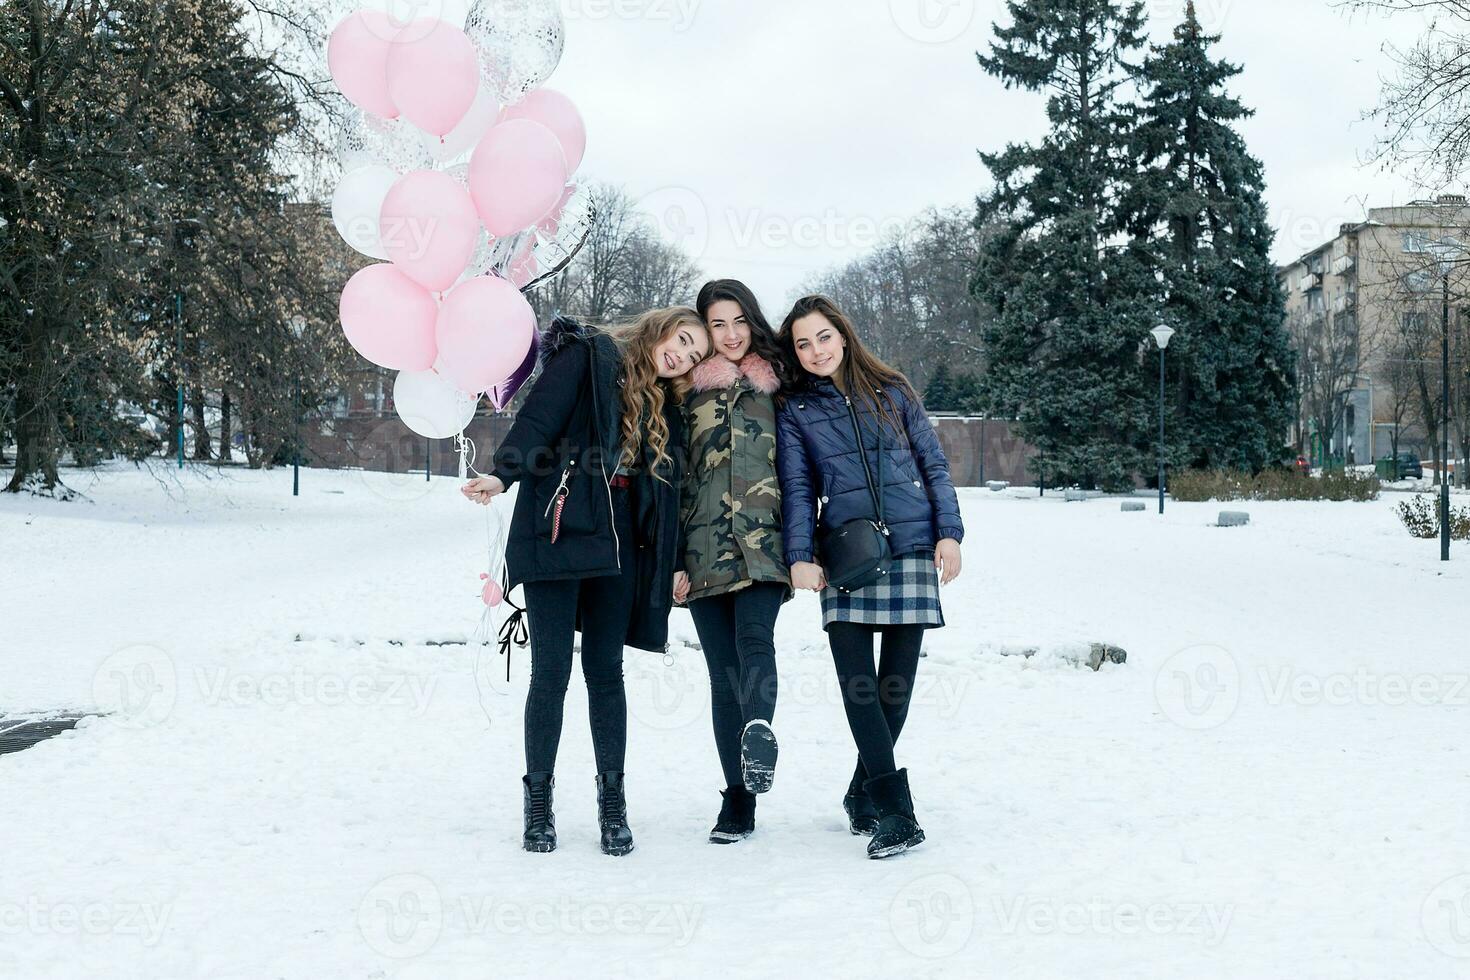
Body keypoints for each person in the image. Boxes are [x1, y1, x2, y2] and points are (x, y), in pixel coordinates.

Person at [461, 308, 711, 856]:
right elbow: (540, 419)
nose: (683, 356)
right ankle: (538, 803)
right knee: (550, 671)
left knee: (606, 672)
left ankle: (613, 802)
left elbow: (668, 488)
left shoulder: (666, 404)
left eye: (694, 357)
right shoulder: (589, 356)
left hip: (620, 542)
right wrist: (503, 473)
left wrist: (671, 559)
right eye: (684, 340)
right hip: (561, 524)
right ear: (664, 325)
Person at [775, 295, 964, 860]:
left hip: (911, 545)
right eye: (802, 344)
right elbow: (798, 487)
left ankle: (865, 793)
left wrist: (949, 533)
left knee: (895, 689)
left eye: (823, 337)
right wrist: (799, 555)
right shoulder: (795, 408)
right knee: (860, 687)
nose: (815, 351)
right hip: (845, 555)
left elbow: (933, 464)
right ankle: (896, 812)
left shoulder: (894, 390)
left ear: (843, 334)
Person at [674, 279, 793, 844]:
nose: (730, 334)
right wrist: (671, 559)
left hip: (765, 547)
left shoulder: (781, 387)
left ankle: (760, 727)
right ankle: (737, 801)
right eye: (717, 324)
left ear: (754, 321)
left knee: (755, 644)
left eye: (739, 320)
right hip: (702, 552)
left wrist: (803, 549)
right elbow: (668, 480)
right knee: (723, 677)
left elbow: (802, 473)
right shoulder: (683, 394)